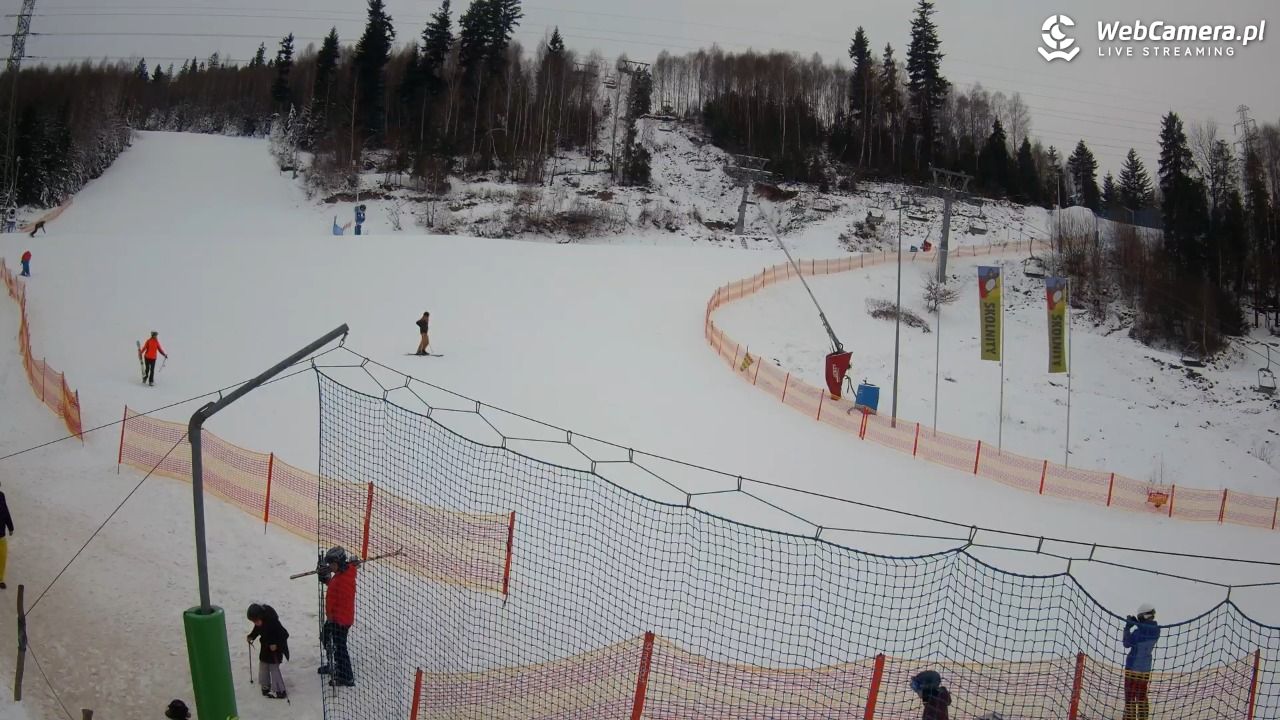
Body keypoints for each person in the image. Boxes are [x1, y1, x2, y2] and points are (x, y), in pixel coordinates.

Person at [317, 545, 358, 687]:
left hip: (340, 620)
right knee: (325, 636)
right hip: (338, 618)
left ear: (339, 563)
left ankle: (346, 676)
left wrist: (326, 578)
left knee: (340, 647)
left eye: (332, 564)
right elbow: (335, 585)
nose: (330, 566)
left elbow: (334, 595)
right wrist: (326, 578)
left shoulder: (340, 580)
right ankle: (332, 663)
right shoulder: (347, 573)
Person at [1123, 604, 1160, 720]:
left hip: (1132, 668)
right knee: (1142, 695)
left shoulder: (1138, 633)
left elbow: (1126, 643)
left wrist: (1127, 628)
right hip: (1145, 669)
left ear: (1143, 617)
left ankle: (1130, 718)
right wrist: (1137, 625)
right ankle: (1143, 717)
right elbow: (1147, 630)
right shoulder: (1156, 631)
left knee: (1130, 695)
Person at [247, 603, 291, 699]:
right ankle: (265, 685)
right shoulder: (260, 622)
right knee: (263, 665)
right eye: (254, 621)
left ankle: (280, 690)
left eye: (256, 621)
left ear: (261, 617)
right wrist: (251, 636)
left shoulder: (273, 622)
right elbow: (257, 629)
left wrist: (276, 645)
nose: (256, 623)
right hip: (265, 647)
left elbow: (285, 635)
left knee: (273, 668)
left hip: (276, 650)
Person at [0, 483, 13, 590]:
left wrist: (10, 526)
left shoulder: (1, 496)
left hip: (1, 535)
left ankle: (0, 579)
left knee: (2, 557)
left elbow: (5, 511)